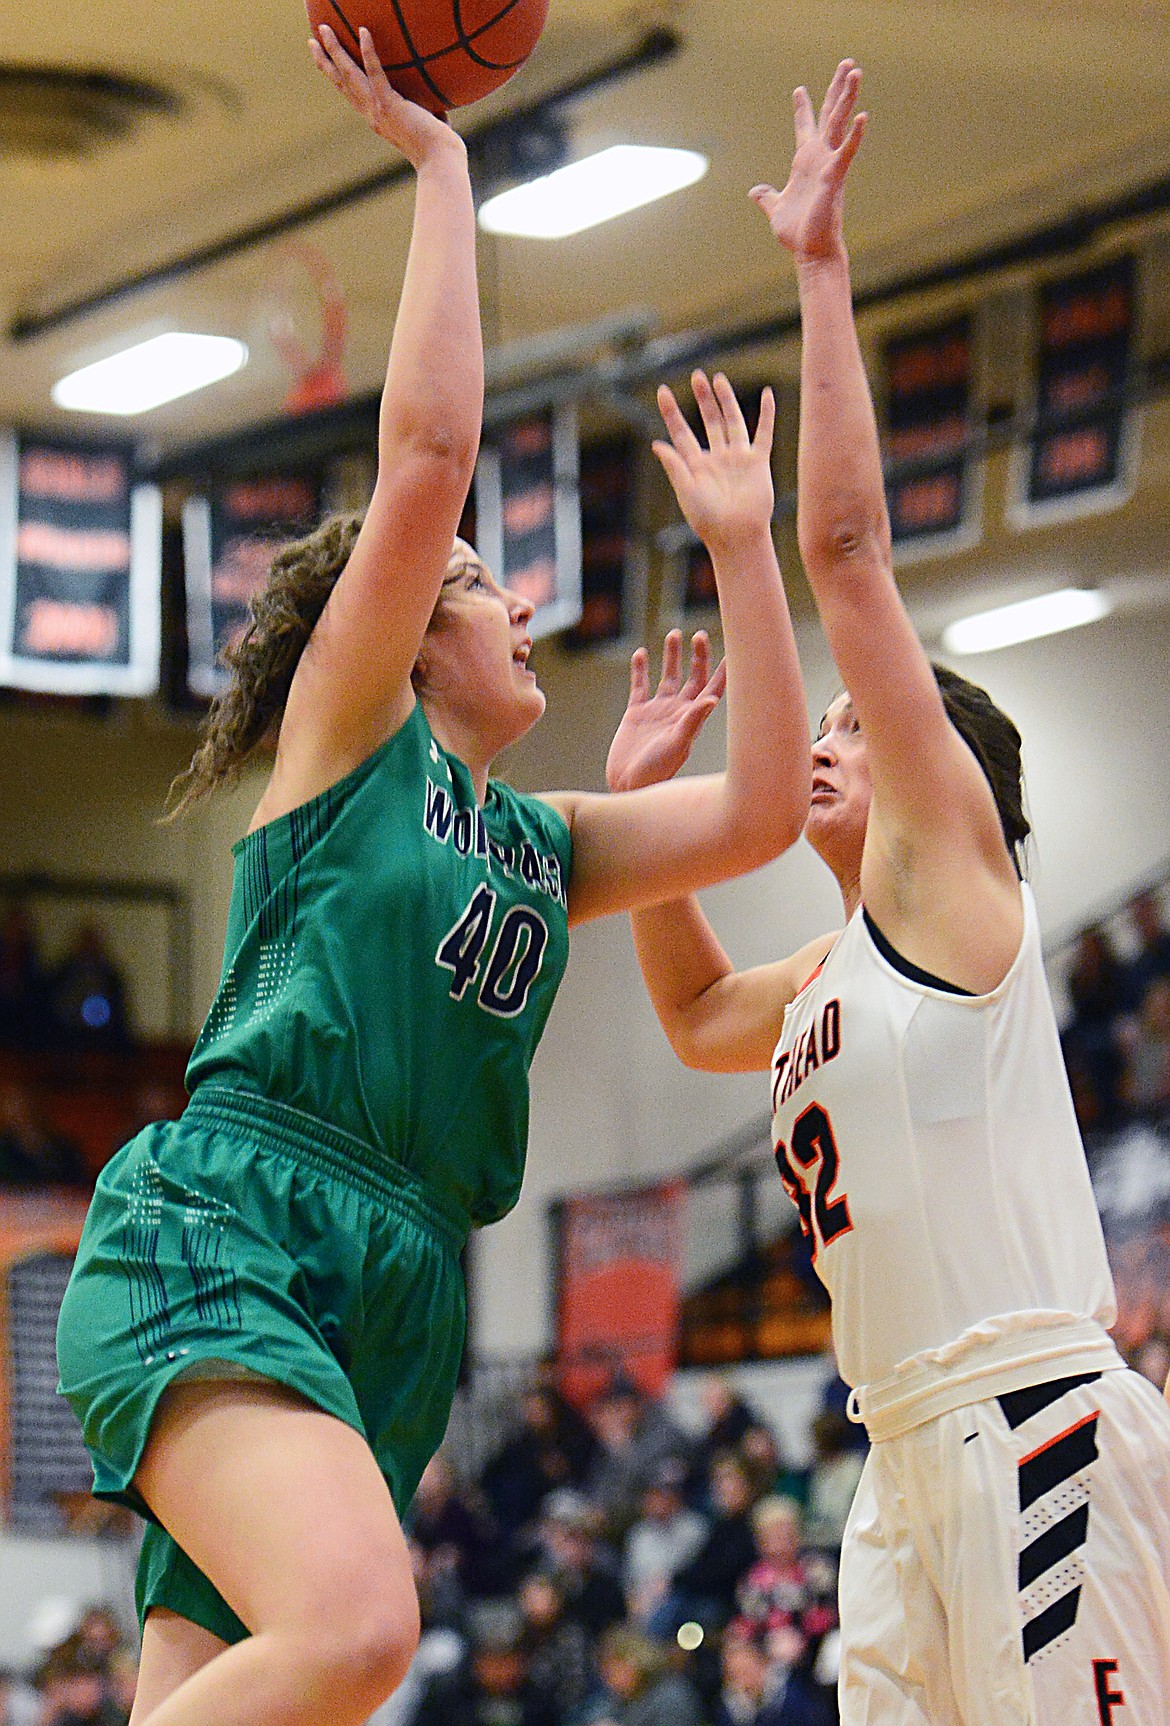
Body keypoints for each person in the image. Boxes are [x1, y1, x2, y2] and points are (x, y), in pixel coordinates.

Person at [54, 28, 810, 1726]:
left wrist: (748, 550)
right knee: (363, 1634)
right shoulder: (347, 747)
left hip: (395, 1282)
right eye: (477, 584)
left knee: (257, 1688)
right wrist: (445, 174)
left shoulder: (542, 847)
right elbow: (424, 456)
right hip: (234, 1218)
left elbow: (760, 808)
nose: (512, 600)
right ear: (400, 640)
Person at [607, 60, 1170, 1724]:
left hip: (1033, 1422)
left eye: (859, 724)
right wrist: (644, 823)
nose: (833, 741)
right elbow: (702, 1009)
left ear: (959, 800)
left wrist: (819, 271)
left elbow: (848, 552)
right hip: (896, 1456)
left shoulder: (957, 908)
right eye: (833, 724)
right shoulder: (830, 971)